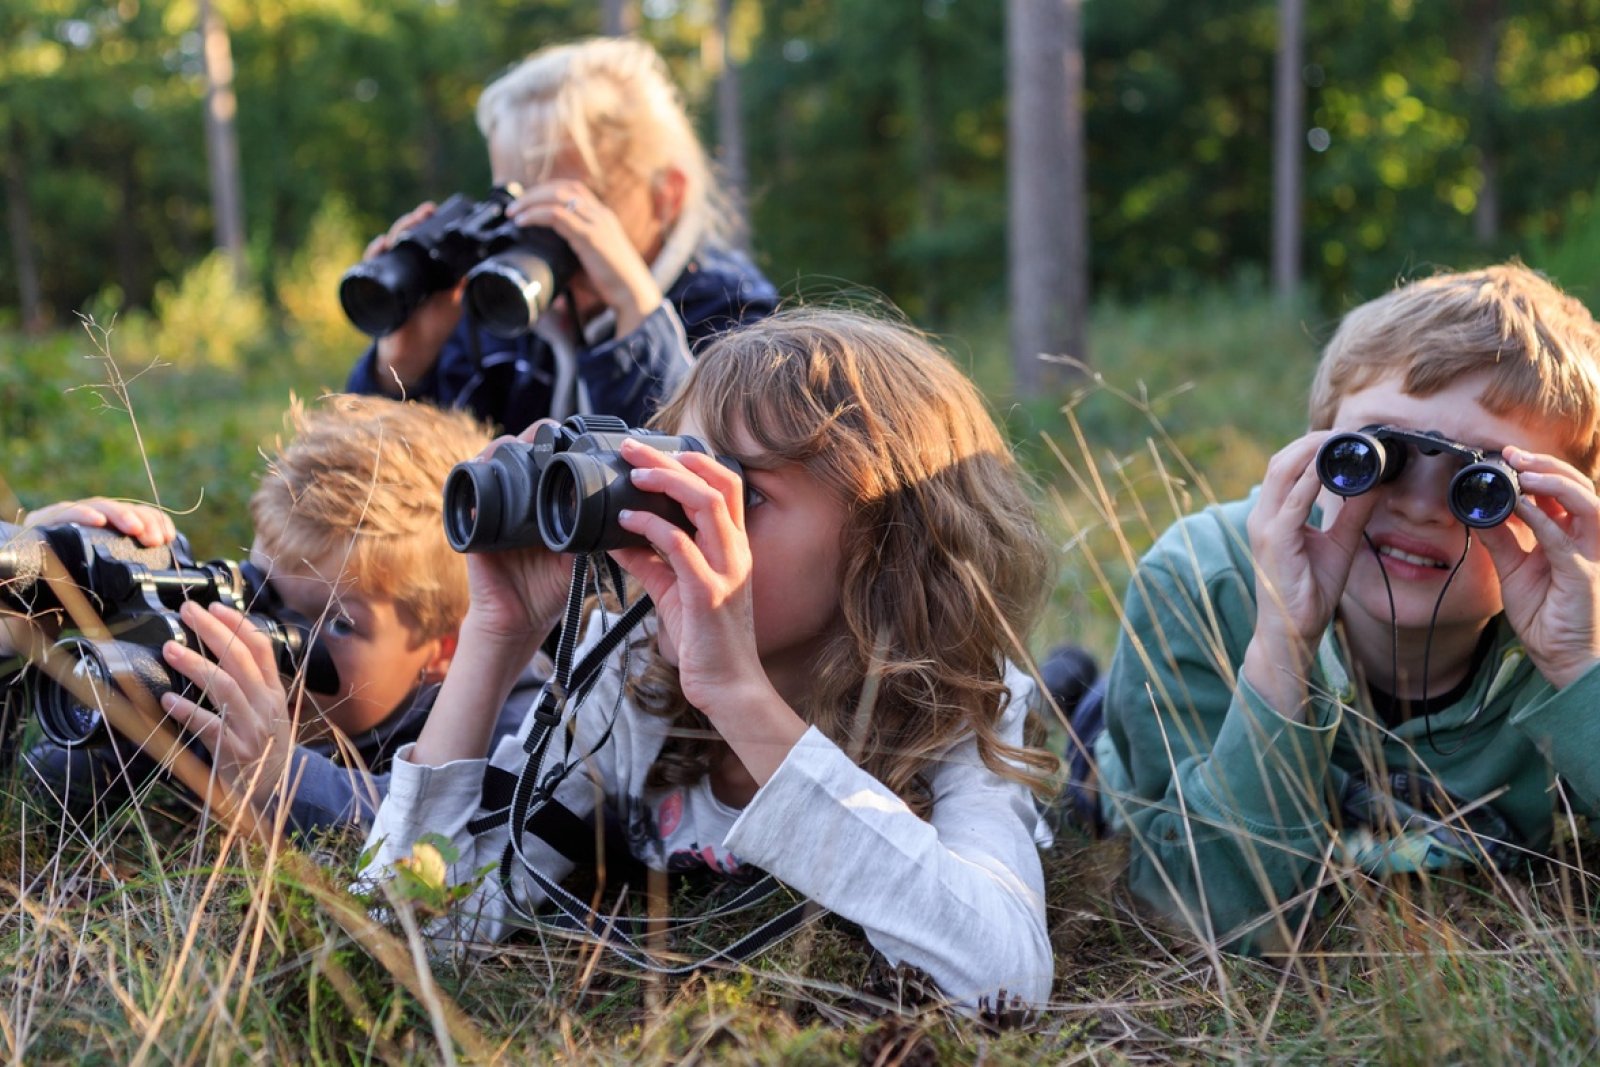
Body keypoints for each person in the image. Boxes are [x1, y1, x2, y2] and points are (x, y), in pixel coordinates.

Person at [358, 307, 1061, 1006]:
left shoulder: (968, 707)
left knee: (1072, 733)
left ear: (888, 550)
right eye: (675, 475)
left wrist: (737, 694)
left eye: (742, 493)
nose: (687, 520)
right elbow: (412, 920)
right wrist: (497, 635)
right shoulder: (633, 674)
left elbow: (1003, 982)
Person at [1085, 263, 1600, 953]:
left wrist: (1577, 662)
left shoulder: (1585, 613)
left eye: (1484, 482)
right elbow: (1204, 911)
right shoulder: (1203, 583)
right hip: (1176, 721)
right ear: (1315, 446)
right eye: (1377, 455)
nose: (1419, 505)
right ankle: (1079, 695)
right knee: (1090, 765)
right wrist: (1280, 643)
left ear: (1560, 507)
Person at [19, 395, 533, 836]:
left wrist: (282, 778)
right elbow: (33, 793)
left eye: (339, 624)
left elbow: (448, 846)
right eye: (260, 590)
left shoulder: (508, 718)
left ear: (447, 649)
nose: (271, 636)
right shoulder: (222, 697)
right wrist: (23, 627)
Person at [346, 36, 779, 435]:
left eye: (571, 204)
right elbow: (388, 496)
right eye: (516, 201)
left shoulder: (737, 319)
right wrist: (400, 371)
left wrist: (635, 316)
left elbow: (711, 479)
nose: (541, 229)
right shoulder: (501, 313)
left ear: (665, 197)